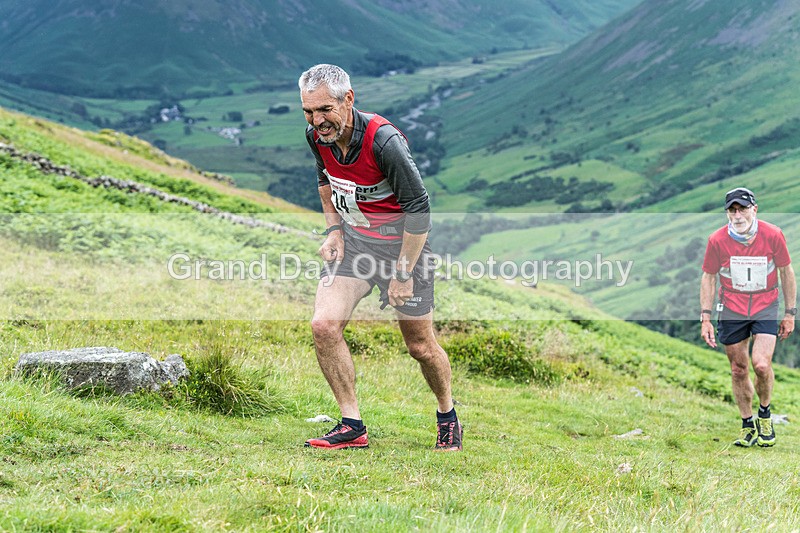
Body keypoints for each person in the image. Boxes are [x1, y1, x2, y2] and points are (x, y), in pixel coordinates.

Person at [298, 64, 462, 451]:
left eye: (324, 110)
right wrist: (334, 231)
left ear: (348, 99)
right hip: (356, 246)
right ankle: (352, 425)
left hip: (404, 250)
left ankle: (447, 414)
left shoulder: (384, 142)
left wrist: (402, 273)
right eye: (308, 112)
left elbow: (419, 211)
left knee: (420, 347)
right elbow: (325, 180)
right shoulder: (318, 137)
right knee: (324, 326)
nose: (317, 121)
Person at [700, 187, 796, 447]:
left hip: (765, 305)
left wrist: (790, 312)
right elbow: (709, 276)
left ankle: (765, 414)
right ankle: (747, 425)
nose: (737, 215)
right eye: (732, 210)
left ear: (754, 209)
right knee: (738, 369)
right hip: (732, 308)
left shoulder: (773, 234)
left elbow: (786, 272)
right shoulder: (717, 240)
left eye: (742, 209)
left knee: (761, 365)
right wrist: (705, 317)